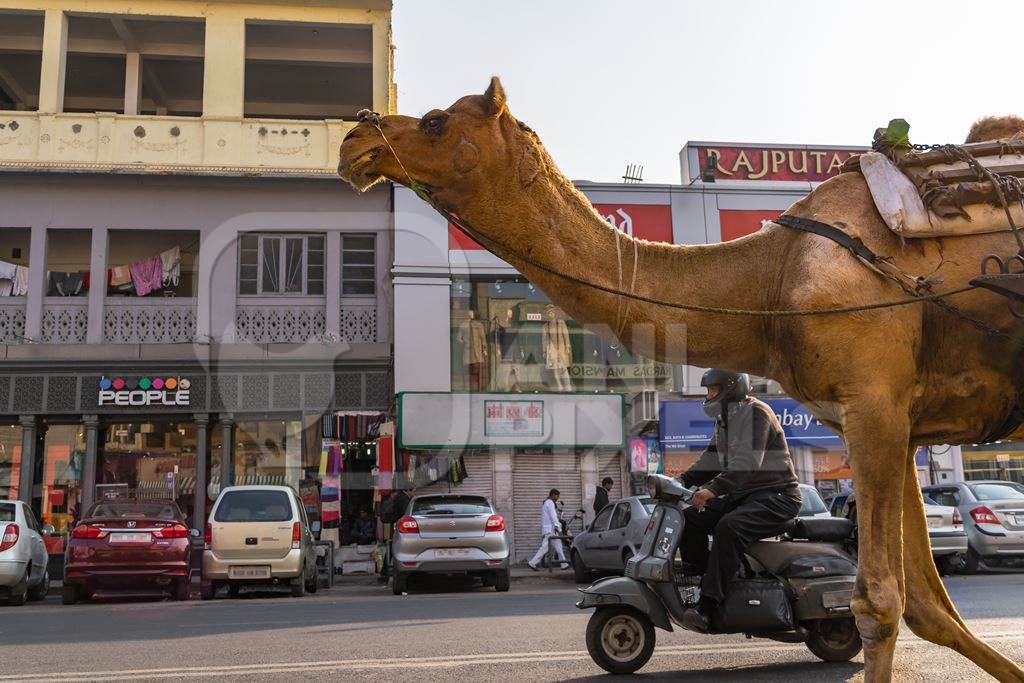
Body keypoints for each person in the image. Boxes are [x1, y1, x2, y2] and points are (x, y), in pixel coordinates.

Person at [676, 368, 802, 633]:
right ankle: (705, 581)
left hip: (778, 496)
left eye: (712, 390)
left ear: (730, 388)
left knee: (729, 527)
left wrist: (712, 489)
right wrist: (680, 481)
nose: (708, 396)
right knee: (689, 518)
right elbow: (710, 459)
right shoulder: (725, 418)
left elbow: (747, 463)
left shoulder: (756, 412)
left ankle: (709, 605)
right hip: (745, 496)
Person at [528, 488, 568, 571]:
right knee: (545, 547)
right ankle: (533, 563)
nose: (558, 498)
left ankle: (564, 564)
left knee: (558, 546)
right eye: (557, 496)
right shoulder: (550, 503)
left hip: (551, 529)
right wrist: (559, 528)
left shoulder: (547, 502)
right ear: (553, 495)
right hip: (550, 530)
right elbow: (553, 517)